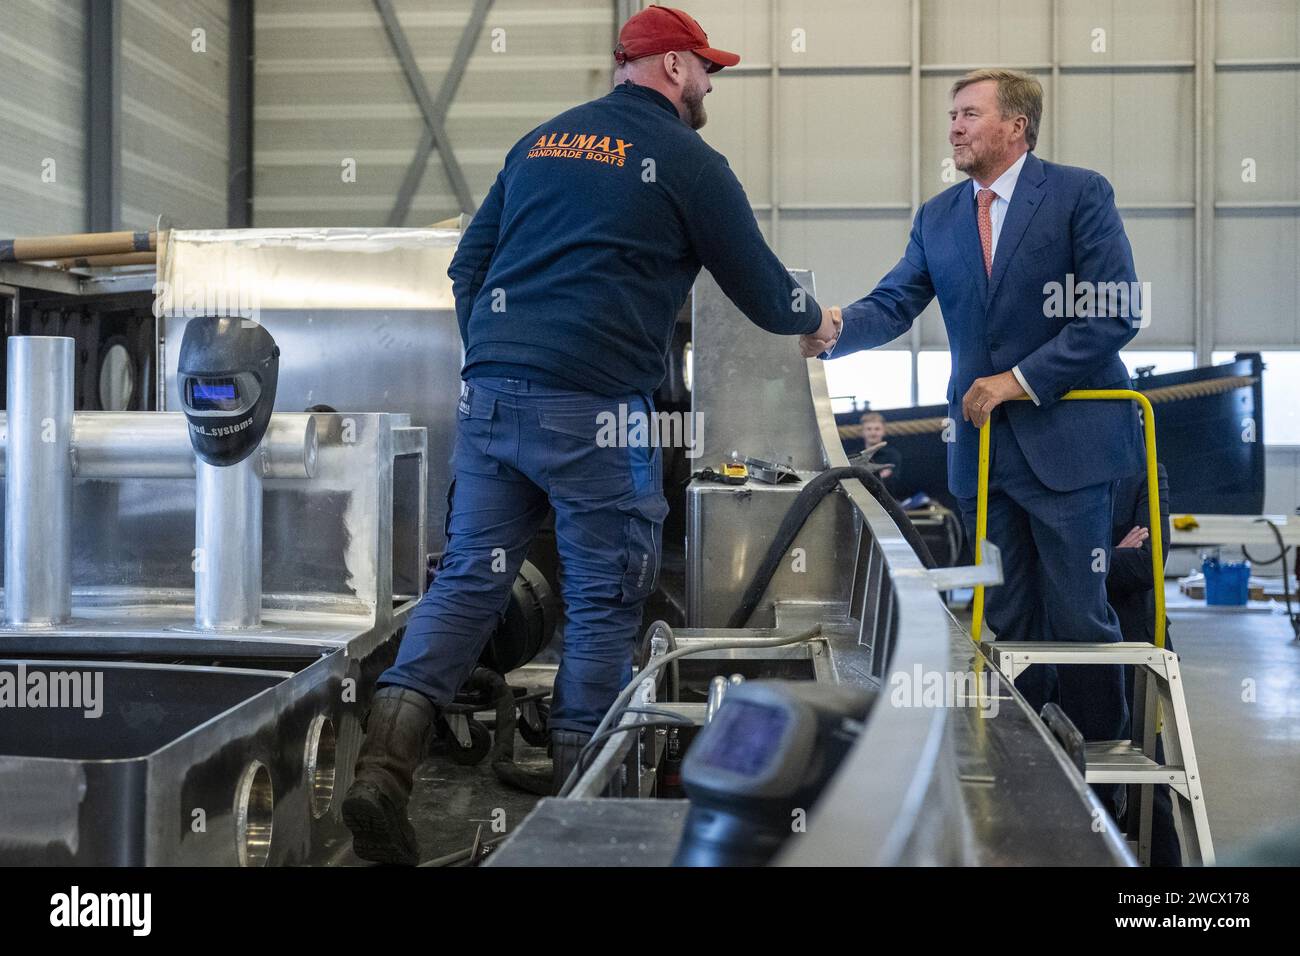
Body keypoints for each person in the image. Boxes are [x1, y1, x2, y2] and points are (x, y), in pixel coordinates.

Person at [341, 4, 838, 865]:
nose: (711, 82)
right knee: (604, 599)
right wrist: (814, 319)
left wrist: (503, 353)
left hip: (493, 402)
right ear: (675, 69)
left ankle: (382, 772)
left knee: (467, 581)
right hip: (599, 414)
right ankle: (582, 816)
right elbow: (760, 288)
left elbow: (468, 267)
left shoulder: (539, 144)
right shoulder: (688, 161)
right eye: (707, 68)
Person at [802, 68, 1145, 815]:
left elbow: (1114, 313)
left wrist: (1018, 380)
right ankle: (1026, 772)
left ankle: (1105, 789)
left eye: (968, 114)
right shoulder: (940, 217)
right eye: (952, 115)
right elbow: (896, 301)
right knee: (1008, 622)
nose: (953, 127)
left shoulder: (1079, 194)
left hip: (1071, 447)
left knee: (1078, 617)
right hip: (984, 457)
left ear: (1016, 126)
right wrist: (833, 329)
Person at [1109, 462, 1182, 866]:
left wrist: (1085, 561)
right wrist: (1112, 553)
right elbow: (1036, 567)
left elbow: (1148, 564)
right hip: (1063, 651)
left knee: (1149, 792)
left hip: (1138, 649)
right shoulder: (1047, 467)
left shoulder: (1146, 469)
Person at [860, 411, 903, 499]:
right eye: (869, 429)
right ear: (863, 432)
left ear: (883, 431)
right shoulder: (855, 456)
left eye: (877, 429)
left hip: (888, 502)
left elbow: (891, 482)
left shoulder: (893, 455)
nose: (873, 432)